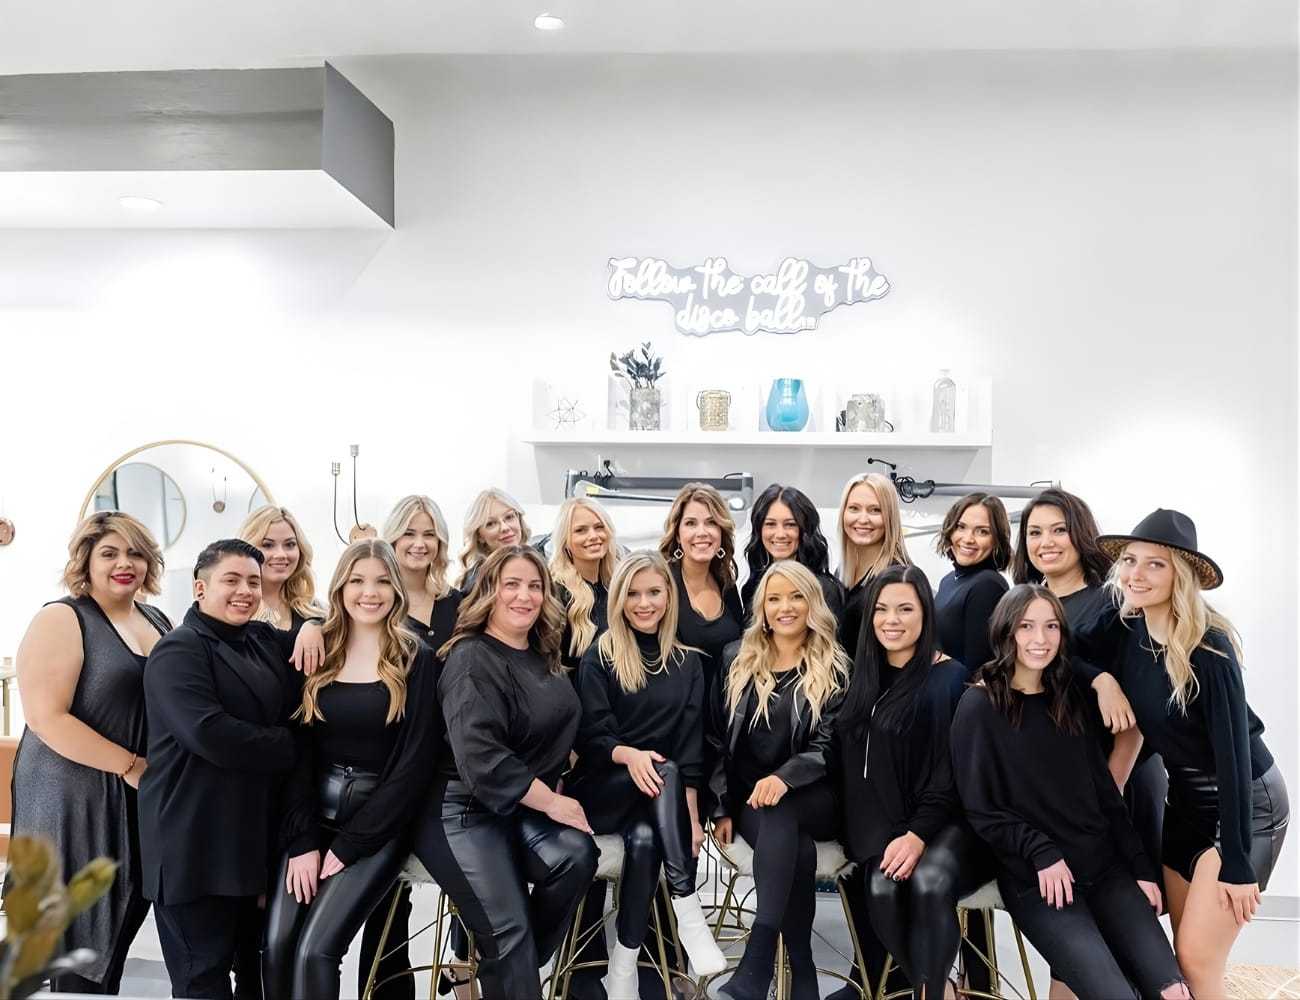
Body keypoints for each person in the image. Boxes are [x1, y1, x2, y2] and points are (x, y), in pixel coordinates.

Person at [1080, 510, 1289, 997]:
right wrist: (1103, 678)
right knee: (1177, 954)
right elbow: (1066, 651)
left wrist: (1238, 862)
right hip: (1185, 805)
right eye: (1130, 561)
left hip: (1247, 805)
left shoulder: (1208, 648)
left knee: (1196, 958)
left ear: (1181, 575)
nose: (1136, 574)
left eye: (1155, 564)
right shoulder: (1125, 626)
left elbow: (1235, 756)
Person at [951, 585, 1190, 1000]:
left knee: (1174, 993)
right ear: (1006, 631)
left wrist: (1140, 867)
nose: (1039, 640)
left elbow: (1104, 795)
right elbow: (982, 808)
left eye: (1050, 627)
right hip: (1040, 881)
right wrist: (1041, 851)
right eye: (1026, 627)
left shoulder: (1070, 698)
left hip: (1105, 869)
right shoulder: (979, 705)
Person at [413, 545, 598, 999]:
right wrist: (554, 801)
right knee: (508, 929)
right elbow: (482, 759)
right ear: (487, 593)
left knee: (576, 856)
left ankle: (507, 964)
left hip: (517, 807)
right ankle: (508, 960)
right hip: (461, 810)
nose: (525, 596)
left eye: (534, 586)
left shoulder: (542, 655)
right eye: (510, 585)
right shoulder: (470, 657)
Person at [139, 539, 319, 1000]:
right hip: (193, 844)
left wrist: (314, 625)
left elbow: (316, 637)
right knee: (204, 980)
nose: (245, 591)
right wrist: (292, 744)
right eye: (231, 580)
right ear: (200, 588)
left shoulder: (258, 639)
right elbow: (211, 735)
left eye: (254, 582)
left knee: (251, 980)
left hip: (246, 844)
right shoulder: (178, 651)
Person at [263, 540, 438, 1000]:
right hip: (310, 820)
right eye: (358, 580)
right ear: (340, 587)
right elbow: (297, 751)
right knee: (278, 947)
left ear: (397, 589)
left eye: (382, 581)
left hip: (376, 826)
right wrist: (302, 841)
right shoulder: (318, 650)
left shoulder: (416, 657)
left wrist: (353, 843)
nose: (370, 592)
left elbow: (415, 764)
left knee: (315, 951)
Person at [1012, 488, 1165, 1000]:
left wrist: (1112, 789)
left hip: (1120, 780)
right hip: (1073, 792)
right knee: (1077, 935)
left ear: (1080, 533)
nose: (1045, 542)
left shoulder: (1112, 602)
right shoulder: (1033, 604)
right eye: (1034, 532)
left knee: (1126, 929)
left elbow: (1134, 716)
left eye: (1057, 530)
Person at [7, 512, 169, 994]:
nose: (125, 563)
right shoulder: (63, 617)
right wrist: (132, 766)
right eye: (110, 553)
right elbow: (46, 717)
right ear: (86, 559)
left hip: (136, 789)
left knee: (125, 911)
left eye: (136, 552)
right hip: (71, 794)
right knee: (74, 931)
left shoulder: (155, 618)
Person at [566, 551, 727, 998]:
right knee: (662, 767)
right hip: (603, 789)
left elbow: (693, 746)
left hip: (658, 798)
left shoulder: (690, 664)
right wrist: (628, 756)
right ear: (618, 599)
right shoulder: (601, 655)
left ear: (668, 596)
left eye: (653, 592)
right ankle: (687, 905)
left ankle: (622, 970)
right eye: (633, 593)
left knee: (644, 839)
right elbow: (590, 736)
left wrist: (690, 818)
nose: (644, 603)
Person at [833, 564, 983, 1000]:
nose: (891, 620)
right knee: (880, 886)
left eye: (904, 609)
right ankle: (935, 984)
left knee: (927, 882)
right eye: (881, 609)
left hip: (947, 823)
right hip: (889, 825)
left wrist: (917, 834)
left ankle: (931, 993)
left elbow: (950, 773)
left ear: (925, 615)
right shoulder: (863, 678)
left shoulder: (950, 678)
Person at [710, 561, 847, 1000]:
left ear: (813, 604)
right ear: (762, 608)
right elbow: (714, 739)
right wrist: (721, 805)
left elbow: (829, 745)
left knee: (782, 806)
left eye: (796, 596)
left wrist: (786, 778)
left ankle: (758, 959)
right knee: (797, 849)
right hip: (753, 801)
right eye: (774, 598)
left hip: (816, 795)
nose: (785, 607)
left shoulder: (836, 665)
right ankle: (802, 972)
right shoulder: (736, 658)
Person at [657, 483, 744, 695]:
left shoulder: (726, 583)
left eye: (711, 522)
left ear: (721, 531)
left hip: (721, 713)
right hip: (677, 716)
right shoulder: (661, 582)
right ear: (677, 534)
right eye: (691, 523)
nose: (702, 532)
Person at [740, 483, 845, 624]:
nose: (780, 534)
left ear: (805, 530)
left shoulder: (823, 589)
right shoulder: (754, 585)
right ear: (759, 530)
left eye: (790, 524)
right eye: (770, 524)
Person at [933, 492, 1011, 677]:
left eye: (982, 531)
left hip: (960, 700)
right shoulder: (948, 581)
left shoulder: (987, 586)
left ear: (996, 540)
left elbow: (979, 670)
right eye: (961, 527)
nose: (968, 539)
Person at [835, 472, 912, 658]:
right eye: (854, 508)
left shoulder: (897, 578)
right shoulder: (841, 571)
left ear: (890, 517)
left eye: (875, 510)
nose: (863, 519)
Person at [382, 495, 463, 653]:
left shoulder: (455, 601)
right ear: (393, 540)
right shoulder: (376, 601)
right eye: (409, 534)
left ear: (439, 542)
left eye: (429, 535)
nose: (419, 544)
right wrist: (317, 625)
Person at [548, 496, 619, 673]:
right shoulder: (555, 593)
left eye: (599, 527)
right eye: (581, 530)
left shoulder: (618, 585)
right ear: (565, 540)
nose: (593, 536)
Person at [239, 505, 323, 629]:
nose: (281, 554)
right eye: (267, 545)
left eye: (290, 544)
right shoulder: (232, 608)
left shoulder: (316, 611)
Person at [457, 488, 531, 591]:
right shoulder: (478, 582)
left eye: (509, 517)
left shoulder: (537, 563)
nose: (504, 527)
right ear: (480, 537)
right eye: (491, 524)